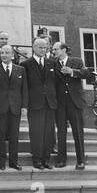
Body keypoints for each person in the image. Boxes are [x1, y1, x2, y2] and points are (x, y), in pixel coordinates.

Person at [0, 45, 28, 171]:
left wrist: (24, 106)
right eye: (2, 53)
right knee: (0, 135)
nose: (4, 55)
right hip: (0, 107)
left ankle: (13, 162)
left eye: (6, 53)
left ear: (12, 55)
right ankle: (1, 161)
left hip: (15, 107)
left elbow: (24, 90)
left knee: (14, 136)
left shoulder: (21, 70)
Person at [21, 38, 58, 170]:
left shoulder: (51, 63)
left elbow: (55, 83)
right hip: (34, 104)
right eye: (40, 47)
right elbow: (24, 87)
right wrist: (24, 105)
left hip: (50, 103)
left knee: (48, 133)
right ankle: (37, 159)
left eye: (45, 48)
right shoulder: (26, 64)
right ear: (34, 48)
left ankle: (46, 159)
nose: (43, 50)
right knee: (36, 133)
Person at [52, 42, 89, 170]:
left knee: (78, 132)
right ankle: (61, 160)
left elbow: (86, 73)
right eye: (53, 50)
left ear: (64, 50)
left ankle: (81, 161)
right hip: (60, 103)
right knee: (61, 132)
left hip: (75, 102)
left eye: (56, 49)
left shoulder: (77, 61)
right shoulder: (53, 63)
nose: (54, 51)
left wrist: (72, 71)